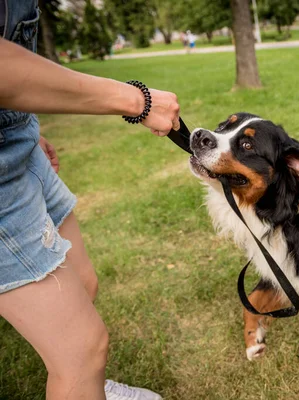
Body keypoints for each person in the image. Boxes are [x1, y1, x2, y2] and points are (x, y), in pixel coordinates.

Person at [0, 1, 180, 399]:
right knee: (81, 350)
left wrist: (21, 128)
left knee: (84, 282)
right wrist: (138, 101)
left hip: (17, 143)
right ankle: (80, 379)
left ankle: (88, 388)